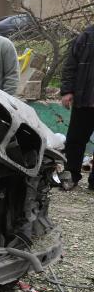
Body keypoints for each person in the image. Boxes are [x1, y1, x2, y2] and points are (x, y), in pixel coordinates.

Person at [59, 22, 94, 190]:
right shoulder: (86, 36)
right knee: (75, 140)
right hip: (85, 99)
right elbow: (70, 65)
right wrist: (67, 91)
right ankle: (71, 176)